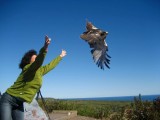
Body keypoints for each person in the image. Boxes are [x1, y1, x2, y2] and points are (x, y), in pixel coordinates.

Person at [0, 35, 67, 120]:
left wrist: (60, 56)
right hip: (8, 99)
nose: (37, 59)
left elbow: (51, 65)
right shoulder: (27, 68)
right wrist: (45, 47)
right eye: (35, 58)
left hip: (19, 103)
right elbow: (39, 61)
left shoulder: (40, 70)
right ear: (29, 61)